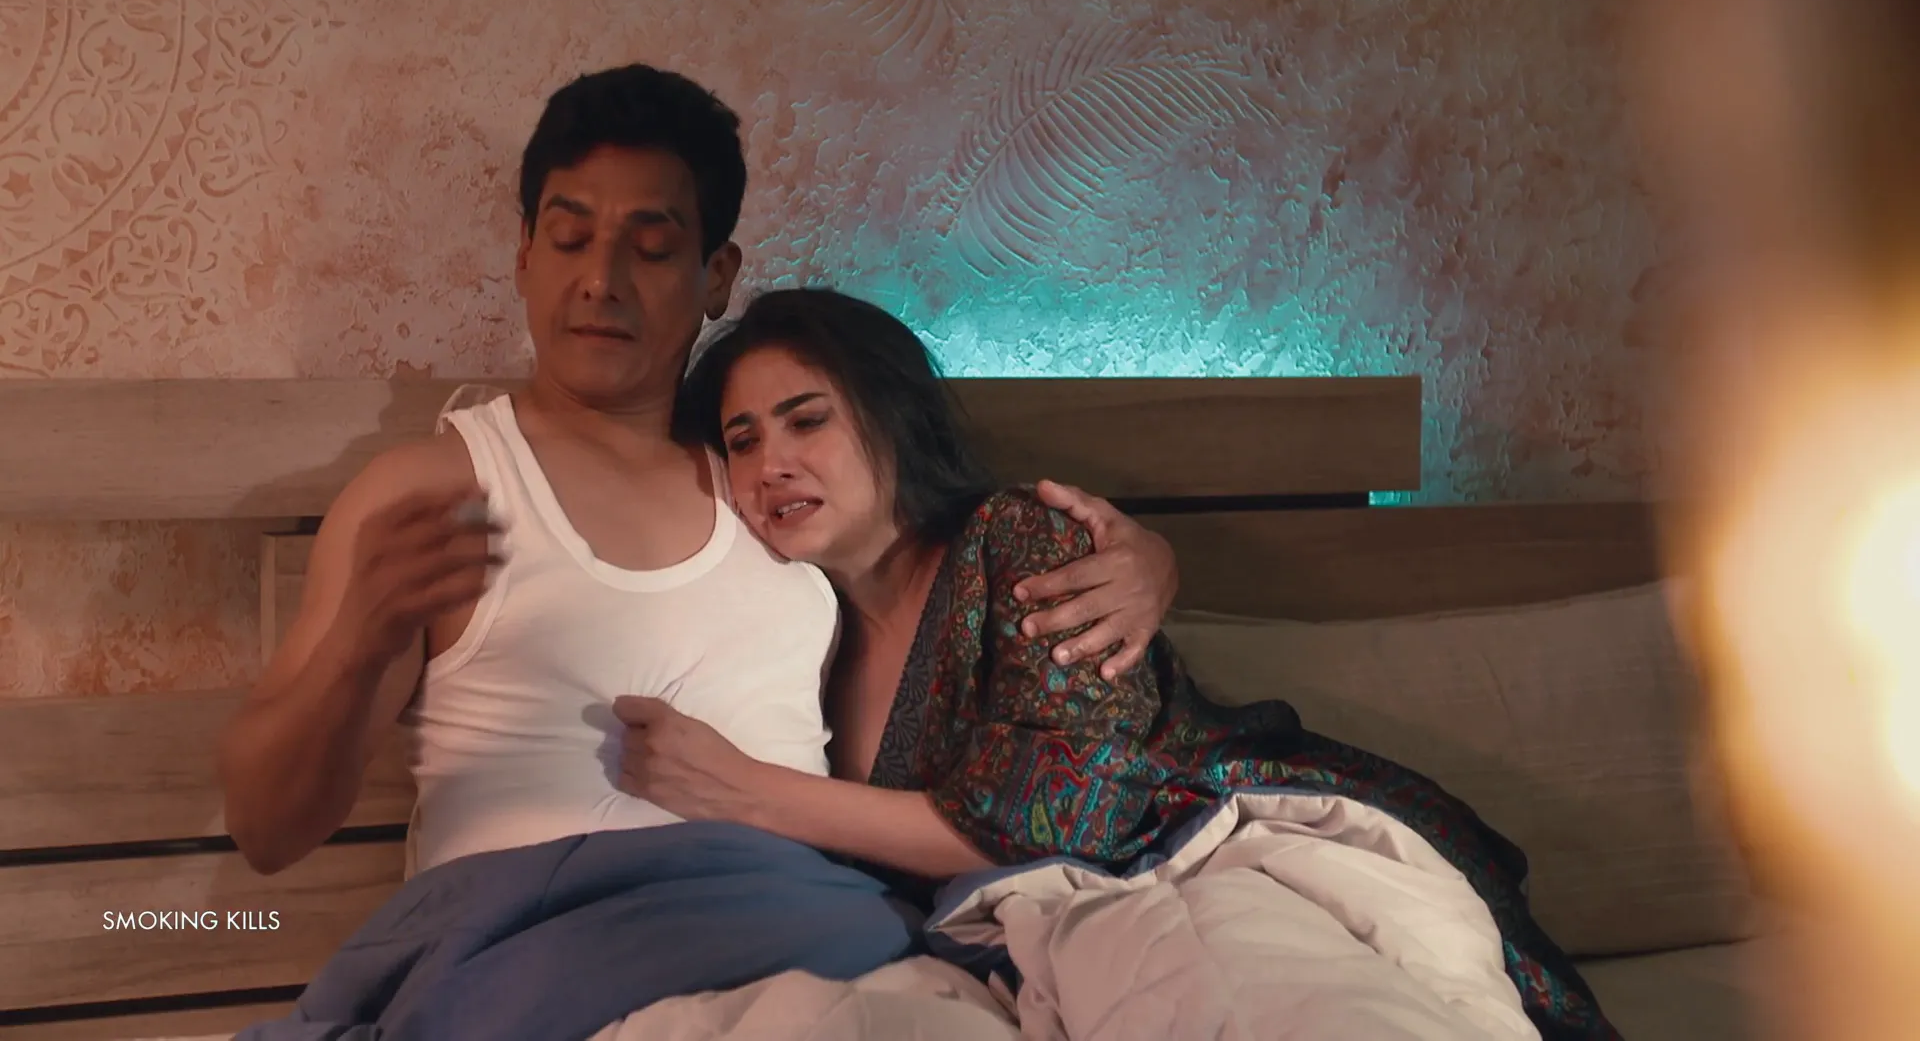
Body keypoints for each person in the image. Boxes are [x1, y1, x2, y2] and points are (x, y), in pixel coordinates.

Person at [215, 64, 1179, 878]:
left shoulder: (769, 491)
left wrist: (1148, 563)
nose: (601, 280)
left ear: (715, 276)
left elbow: (949, 582)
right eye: (569, 238)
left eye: (651, 247)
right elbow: (266, 833)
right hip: (535, 949)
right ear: (524, 256)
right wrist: (357, 643)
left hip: (823, 945)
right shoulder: (433, 492)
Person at [624, 286, 1621, 1041]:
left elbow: (1053, 820)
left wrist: (747, 792)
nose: (771, 464)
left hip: (1189, 851)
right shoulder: (794, 636)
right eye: (741, 440)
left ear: (889, 417)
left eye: (806, 420)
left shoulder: (1021, 541)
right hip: (1010, 940)